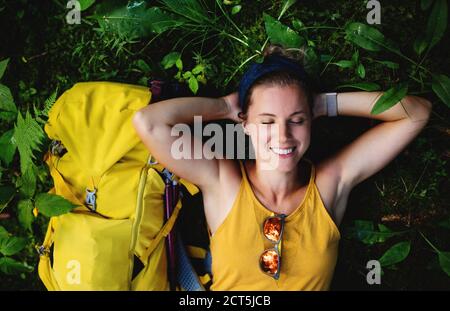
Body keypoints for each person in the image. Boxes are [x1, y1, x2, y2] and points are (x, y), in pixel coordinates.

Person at [132, 46, 432, 290]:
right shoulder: (223, 181)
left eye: (296, 120)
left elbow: (416, 113)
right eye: (267, 121)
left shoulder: (330, 183)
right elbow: (148, 122)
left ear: (311, 121)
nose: (283, 135)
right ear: (245, 124)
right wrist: (224, 107)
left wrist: (326, 104)